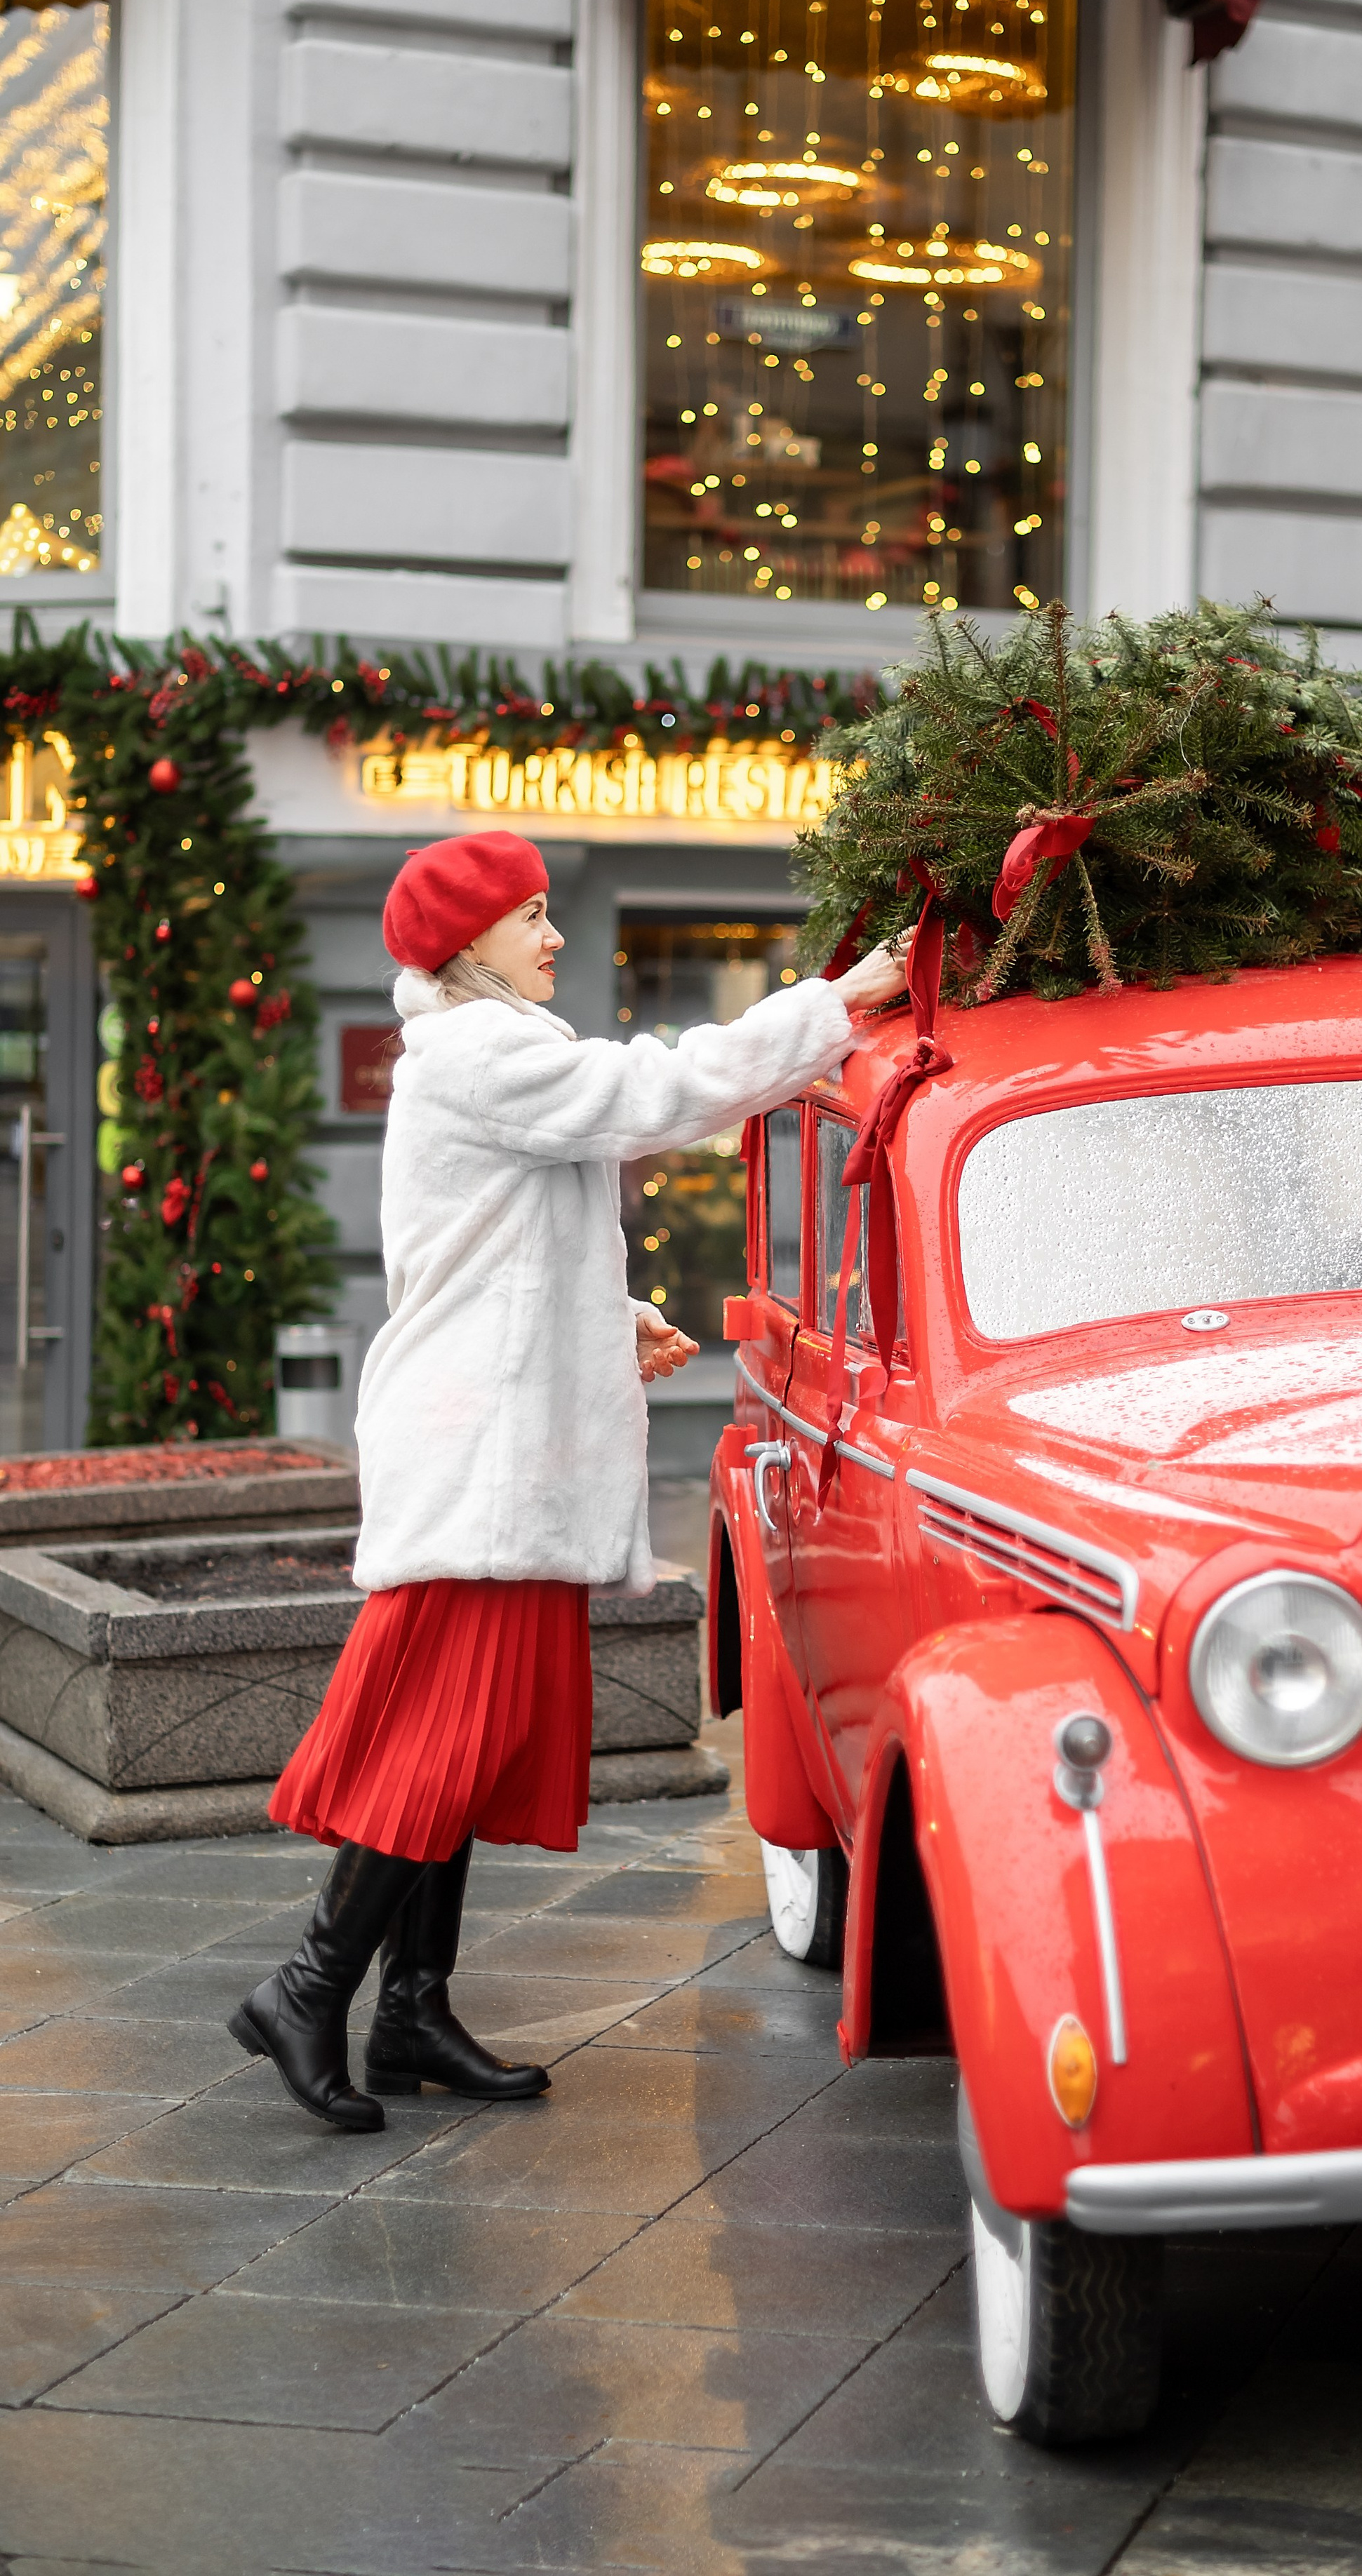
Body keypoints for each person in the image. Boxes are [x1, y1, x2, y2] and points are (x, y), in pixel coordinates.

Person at [229, 830, 907, 2132]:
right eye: (530, 916)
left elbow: (497, 1248)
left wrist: (615, 1314)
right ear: (470, 940)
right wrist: (835, 1005)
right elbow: (652, 1094)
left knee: (464, 1746)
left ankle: (411, 2010)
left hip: (497, 1450)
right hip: (482, 1458)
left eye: (548, 912)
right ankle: (306, 1992)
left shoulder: (481, 1054)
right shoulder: (488, 1051)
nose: (551, 937)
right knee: (443, 1742)